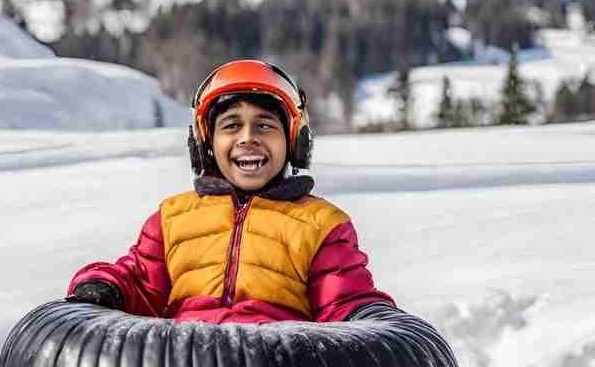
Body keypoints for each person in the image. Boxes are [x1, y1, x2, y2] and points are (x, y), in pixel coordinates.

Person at [67, 59, 394, 323]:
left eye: (265, 125)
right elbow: (140, 283)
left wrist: (368, 317)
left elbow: (344, 300)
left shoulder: (322, 225)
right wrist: (105, 285)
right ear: (205, 145)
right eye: (231, 125)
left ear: (294, 141)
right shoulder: (172, 219)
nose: (247, 137)